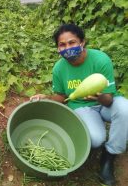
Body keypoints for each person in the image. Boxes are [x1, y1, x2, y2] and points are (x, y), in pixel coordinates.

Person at [30, 23, 128, 186]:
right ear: (58, 49)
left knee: (125, 110)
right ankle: (101, 140)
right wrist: (46, 97)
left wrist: (99, 96)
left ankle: (109, 156)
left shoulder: (100, 59)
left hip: (106, 103)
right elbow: (61, 97)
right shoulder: (59, 69)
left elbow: (110, 99)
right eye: (62, 45)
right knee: (96, 139)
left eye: (72, 42)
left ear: (82, 42)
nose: (67, 47)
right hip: (81, 107)